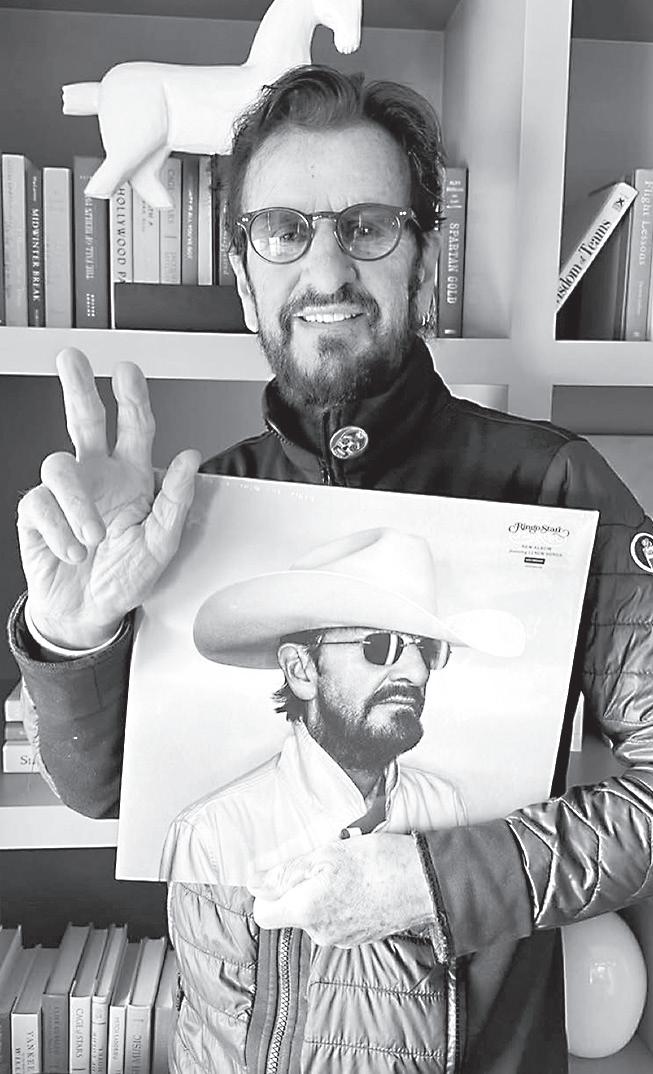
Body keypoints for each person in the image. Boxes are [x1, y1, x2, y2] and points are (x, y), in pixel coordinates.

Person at [8, 64, 653, 1073]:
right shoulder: (186, 509)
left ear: (420, 261)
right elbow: (105, 793)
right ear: (243, 279)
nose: (326, 268)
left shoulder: (552, 484)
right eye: (282, 230)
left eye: (366, 226)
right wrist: (72, 633)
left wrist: (437, 882)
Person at [160, 526, 501, 885]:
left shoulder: (442, 806)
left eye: (427, 649)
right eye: (380, 645)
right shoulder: (213, 838)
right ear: (301, 670)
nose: (417, 672)